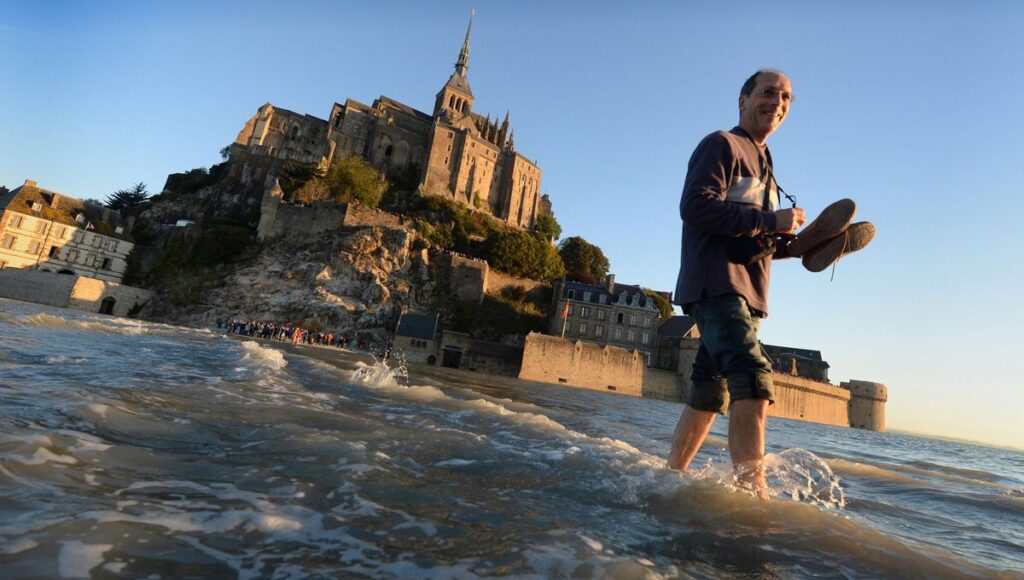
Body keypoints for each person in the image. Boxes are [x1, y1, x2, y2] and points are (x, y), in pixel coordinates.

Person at [666, 69, 805, 497]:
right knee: (752, 374)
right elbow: (694, 207)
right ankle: (753, 494)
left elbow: (753, 241)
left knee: (710, 391)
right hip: (717, 284)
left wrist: (793, 247)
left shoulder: (769, 169)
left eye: (786, 98)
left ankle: (669, 477)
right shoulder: (721, 145)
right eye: (768, 93)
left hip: (748, 293)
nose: (778, 102)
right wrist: (770, 221)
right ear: (742, 101)